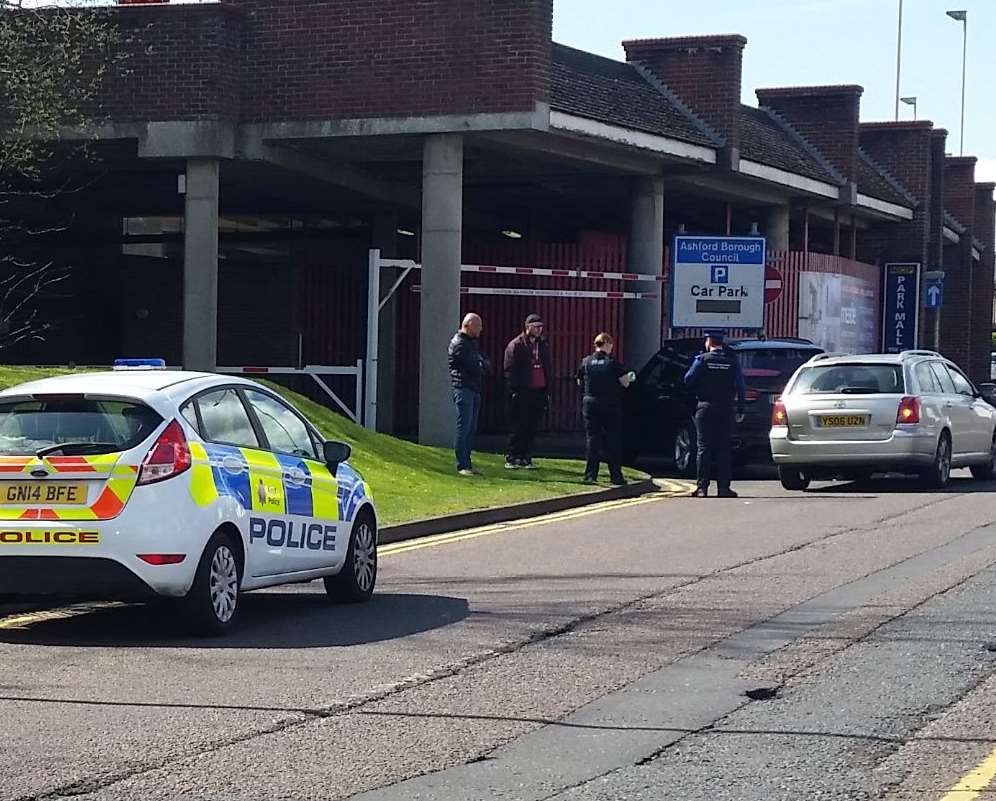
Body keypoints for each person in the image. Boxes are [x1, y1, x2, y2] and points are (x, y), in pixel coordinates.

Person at [683, 330, 746, 498]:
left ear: (709, 341)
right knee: (723, 448)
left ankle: (702, 488)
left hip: (705, 407)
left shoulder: (702, 360)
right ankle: (724, 488)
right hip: (726, 409)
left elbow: (688, 379)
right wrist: (741, 408)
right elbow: (740, 386)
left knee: (703, 448)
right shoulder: (732, 362)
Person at [575, 333, 635, 486]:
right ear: (607, 344)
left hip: (590, 403)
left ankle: (590, 476)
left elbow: (579, 380)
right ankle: (616, 476)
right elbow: (625, 382)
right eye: (611, 345)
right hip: (609, 404)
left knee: (592, 439)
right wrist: (629, 377)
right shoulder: (612, 363)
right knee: (612, 440)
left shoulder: (586, 362)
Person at [503, 313, 553, 470]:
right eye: (536, 326)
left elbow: (548, 368)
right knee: (518, 425)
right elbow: (510, 370)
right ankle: (512, 456)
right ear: (528, 327)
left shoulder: (542, 345)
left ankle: (526, 456)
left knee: (532, 426)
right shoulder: (516, 345)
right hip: (522, 391)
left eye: (541, 327)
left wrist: (547, 390)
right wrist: (514, 389)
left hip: (538, 391)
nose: (539, 330)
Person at [448, 313, 489, 477]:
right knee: (463, 427)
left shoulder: (471, 343)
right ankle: (461, 464)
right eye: (478, 326)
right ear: (469, 324)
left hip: (473, 389)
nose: (481, 329)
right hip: (463, 388)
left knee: (471, 428)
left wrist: (481, 363)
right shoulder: (459, 344)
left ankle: (468, 463)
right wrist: (480, 363)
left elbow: (484, 363)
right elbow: (474, 366)